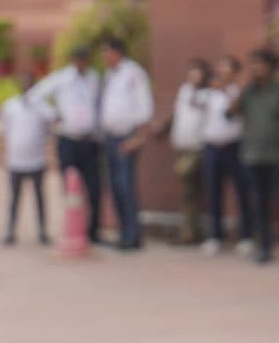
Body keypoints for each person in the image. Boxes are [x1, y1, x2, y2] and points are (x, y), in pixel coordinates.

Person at [235, 49, 279, 266]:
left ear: (271, 67)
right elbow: (230, 113)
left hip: (278, 156)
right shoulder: (248, 93)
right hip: (253, 156)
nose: (255, 68)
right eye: (252, 64)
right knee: (260, 205)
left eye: (259, 64)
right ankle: (264, 248)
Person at [34, 47, 105, 247]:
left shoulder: (94, 78)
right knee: (70, 187)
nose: (82, 63)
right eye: (79, 60)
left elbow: (99, 106)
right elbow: (35, 96)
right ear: (74, 61)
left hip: (89, 140)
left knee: (94, 187)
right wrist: (54, 115)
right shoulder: (61, 78)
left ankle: (93, 231)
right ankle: (73, 227)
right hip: (68, 139)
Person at [95, 34, 155, 251]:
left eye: (106, 51)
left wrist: (138, 138)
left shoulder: (134, 73)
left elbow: (145, 106)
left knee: (126, 186)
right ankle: (123, 233)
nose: (104, 56)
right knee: (115, 188)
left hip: (127, 137)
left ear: (117, 52)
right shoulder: (110, 75)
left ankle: (132, 235)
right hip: (110, 137)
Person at [0, 70, 54, 247]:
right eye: (25, 84)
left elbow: (51, 122)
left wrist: (38, 102)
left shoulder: (42, 107)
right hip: (16, 160)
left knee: (39, 197)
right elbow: (4, 130)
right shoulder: (10, 106)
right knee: (15, 198)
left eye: (31, 85)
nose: (27, 88)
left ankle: (43, 232)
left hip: (36, 160)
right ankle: (10, 232)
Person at [199, 55, 244, 254]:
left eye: (227, 68)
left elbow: (237, 111)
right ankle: (215, 236)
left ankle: (247, 236)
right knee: (213, 193)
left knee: (241, 192)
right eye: (220, 67)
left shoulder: (239, 92)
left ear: (234, 72)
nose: (222, 71)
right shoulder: (209, 93)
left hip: (234, 147)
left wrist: (225, 91)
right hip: (212, 147)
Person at [167, 58, 212, 245]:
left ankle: (194, 231)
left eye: (197, 72)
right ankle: (190, 231)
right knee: (187, 192)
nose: (194, 76)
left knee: (193, 189)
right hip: (182, 146)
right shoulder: (184, 91)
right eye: (191, 72)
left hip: (198, 147)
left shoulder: (209, 94)